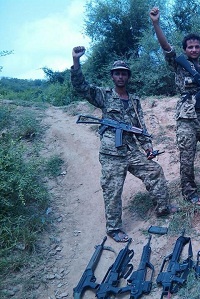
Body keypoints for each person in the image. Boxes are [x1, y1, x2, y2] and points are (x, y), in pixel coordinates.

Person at [71, 46, 173, 242]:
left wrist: (148, 147)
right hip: (111, 152)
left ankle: (163, 207)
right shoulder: (104, 95)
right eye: (117, 73)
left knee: (154, 170)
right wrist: (76, 61)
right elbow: (81, 87)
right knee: (113, 189)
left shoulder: (134, 100)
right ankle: (114, 228)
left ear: (128, 77)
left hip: (131, 150)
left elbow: (139, 125)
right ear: (112, 76)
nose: (120, 77)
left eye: (124, 74)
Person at [149, 7, 200, 205]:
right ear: (185, 49)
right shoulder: (180, 64)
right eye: (190, 47)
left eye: (197, 47)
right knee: (187, 157)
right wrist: (156, 24)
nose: (194, 49)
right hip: (187, 118)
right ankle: (190, 193)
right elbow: (166, 47)